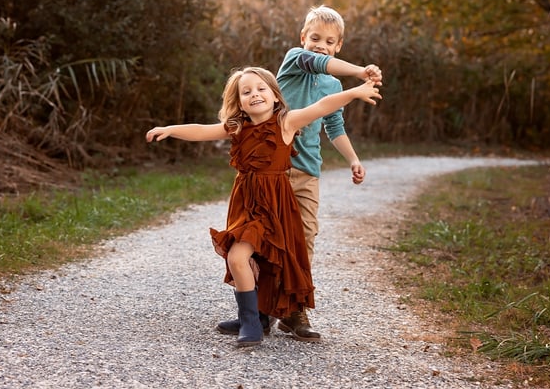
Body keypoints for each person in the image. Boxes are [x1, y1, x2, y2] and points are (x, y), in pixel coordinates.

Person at [145, 66, 381, 348]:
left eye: (260, 89)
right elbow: (202, 130)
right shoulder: (238, 126)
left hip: (275, 207)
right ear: (240, 101)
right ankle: (252, 317)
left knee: (247, 258)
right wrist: (171, 129)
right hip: (246, 204)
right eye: (246, 92)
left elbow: (322, 106)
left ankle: (253, 321)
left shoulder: (286, 122)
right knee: (244, 259)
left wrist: (354, 92)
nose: (254, 94)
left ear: (275, 96)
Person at [272, 5, 383, 342]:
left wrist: (352, 159)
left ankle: (294, 310)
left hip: (306, 173)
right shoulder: (295, 61)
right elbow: (315, 62)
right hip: (272, 169)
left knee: (304, 239)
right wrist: (361, 71)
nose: (320, 44)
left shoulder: (333, 85)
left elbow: (334, 126)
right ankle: (259, 307)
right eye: (315, 37)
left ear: (339, 45)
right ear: (303, 38)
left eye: (329, 41)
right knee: (267, 237)